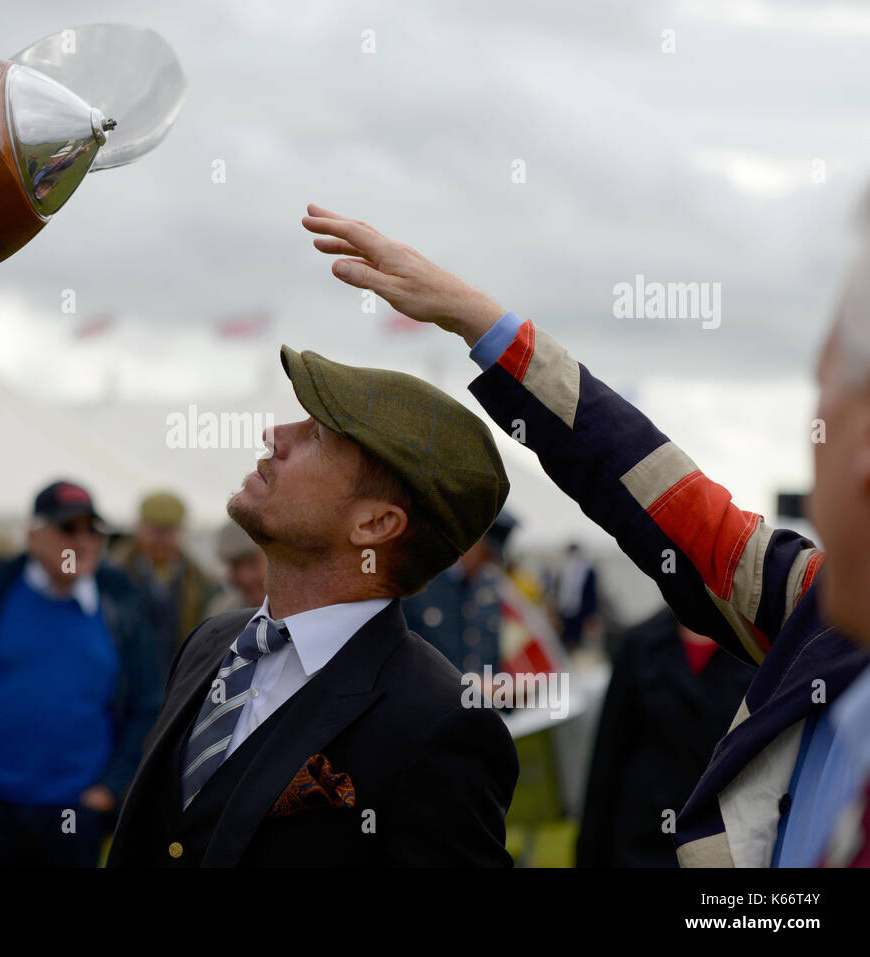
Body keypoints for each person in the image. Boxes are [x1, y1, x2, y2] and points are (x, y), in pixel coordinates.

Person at [302, 200, 870, 867]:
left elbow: (665, 497)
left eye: (824, 385)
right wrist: (479, 320)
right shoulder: (820, 619)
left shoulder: (819, 622)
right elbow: (656, 491)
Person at [106, 343, 519, 867]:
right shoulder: (212, 642)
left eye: (317, 436)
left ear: (374, 524)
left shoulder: (439, 723)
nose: (274, 435)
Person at [0, 480, 160, 867]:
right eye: (68, 529)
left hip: (72, 811)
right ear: (33, 535)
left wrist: (111, 788)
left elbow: (147, 702)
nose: (83, 541)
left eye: (93, 530)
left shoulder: (122, 603)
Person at [576, 608, 756, 867]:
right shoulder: (638, 645)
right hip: (641, 847)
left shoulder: (757, 648)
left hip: (724, 845)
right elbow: (607, 762)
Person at [109, 491, 220, 690]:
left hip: (178, 685)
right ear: (139, 528)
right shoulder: (112, 575)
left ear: (181, 532)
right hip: (125, 688)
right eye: (154, 530)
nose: (161, 539)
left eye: (168, 531)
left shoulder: (200, 581)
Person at [402, 508, 518, 675]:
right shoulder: (419, 583)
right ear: (472, 543)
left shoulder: (488, 590)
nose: (486, 565)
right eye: (485, 555)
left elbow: (489, 652)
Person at [203, 519, 268, 617]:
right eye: (235, 565)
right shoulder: (221, 615)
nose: (245, 577)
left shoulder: (297, 613)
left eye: (252, 562)